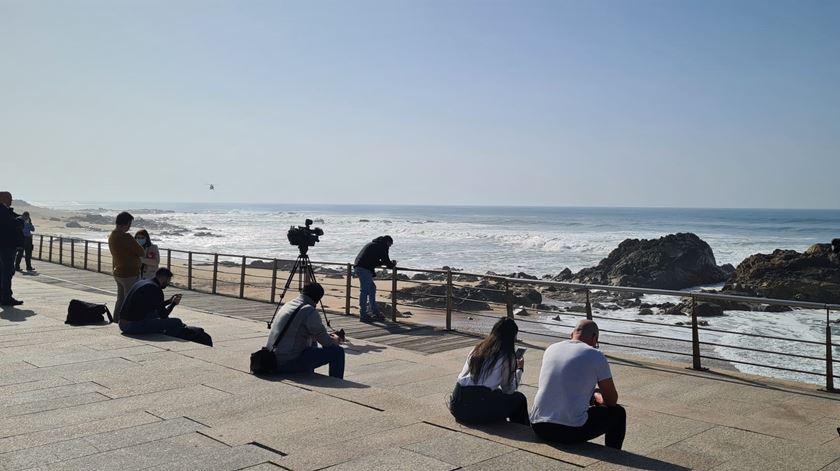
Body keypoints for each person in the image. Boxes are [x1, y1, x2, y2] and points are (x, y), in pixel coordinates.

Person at [530, 319, 626, 449]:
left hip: (538, 427)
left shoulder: (551, 348)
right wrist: (598, 396)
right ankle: (614, 455)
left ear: (572, 334)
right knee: (618, 413)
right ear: (594, 338)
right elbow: (611, 400)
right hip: (569, 432)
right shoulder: (596, 355)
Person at [449, 317, 529, 425]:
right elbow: (508, 390)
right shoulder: (506, 356)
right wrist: (519, 369)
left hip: (457, 406)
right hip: (477, 410)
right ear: (511, 337)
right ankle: (521, 429)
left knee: (497, 393)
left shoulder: (477, 349)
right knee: (519, 398)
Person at [266, 283, 345, 379]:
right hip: (287, 362)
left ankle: (307, 372)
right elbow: (327, 343)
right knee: (338, 352)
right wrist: (335, 340)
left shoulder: (288, 304)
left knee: (312, 342)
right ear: (317, 299)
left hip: (272, 358)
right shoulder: (309, 311)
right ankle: (336, 381)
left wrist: (324, 336)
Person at [118, 267, 186, 336]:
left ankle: (161, 331)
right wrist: (173, 304)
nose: (168, 283)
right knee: (177, 322)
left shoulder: (143, 282)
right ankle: (169, 336)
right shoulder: (156, 289)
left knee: (156, 314)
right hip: (132, 326)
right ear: (164, 279)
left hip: (122, 323)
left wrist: (169, 301)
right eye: (168, 280)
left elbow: (156, 306)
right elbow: (164, 315)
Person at [108, 211, 145, 321]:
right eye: (129, 224)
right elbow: (141, 252)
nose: (129, 227)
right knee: (130, 299)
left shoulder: (112, 236)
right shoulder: (126, 237)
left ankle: (116, 319)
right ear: (125, 224)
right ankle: (127, 320)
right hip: (129, 274)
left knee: (121, 299)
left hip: (118, 271)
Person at [353, 235, 396, 322]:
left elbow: (373, 259)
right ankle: (363, 315)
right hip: (364, 268)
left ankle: (374, 312)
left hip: (359, 266)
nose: (389, 247)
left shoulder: (373, 244)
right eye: (390, 245)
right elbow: (386, 261)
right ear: (387, 242)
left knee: (372, 288)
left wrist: (383, 262)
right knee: (364, 291)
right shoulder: (383, 246)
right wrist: (393, 264)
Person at [0, 191, 24, 306]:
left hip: (4, 244)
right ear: (2, 198)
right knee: (7, 271)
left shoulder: (4, 210)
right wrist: (21, 220)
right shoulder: (2, 210)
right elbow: (10, 224)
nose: (11, 200)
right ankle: (6, 297)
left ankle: (3, 295)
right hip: (6, 245)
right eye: (9, 198)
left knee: (4, 270)